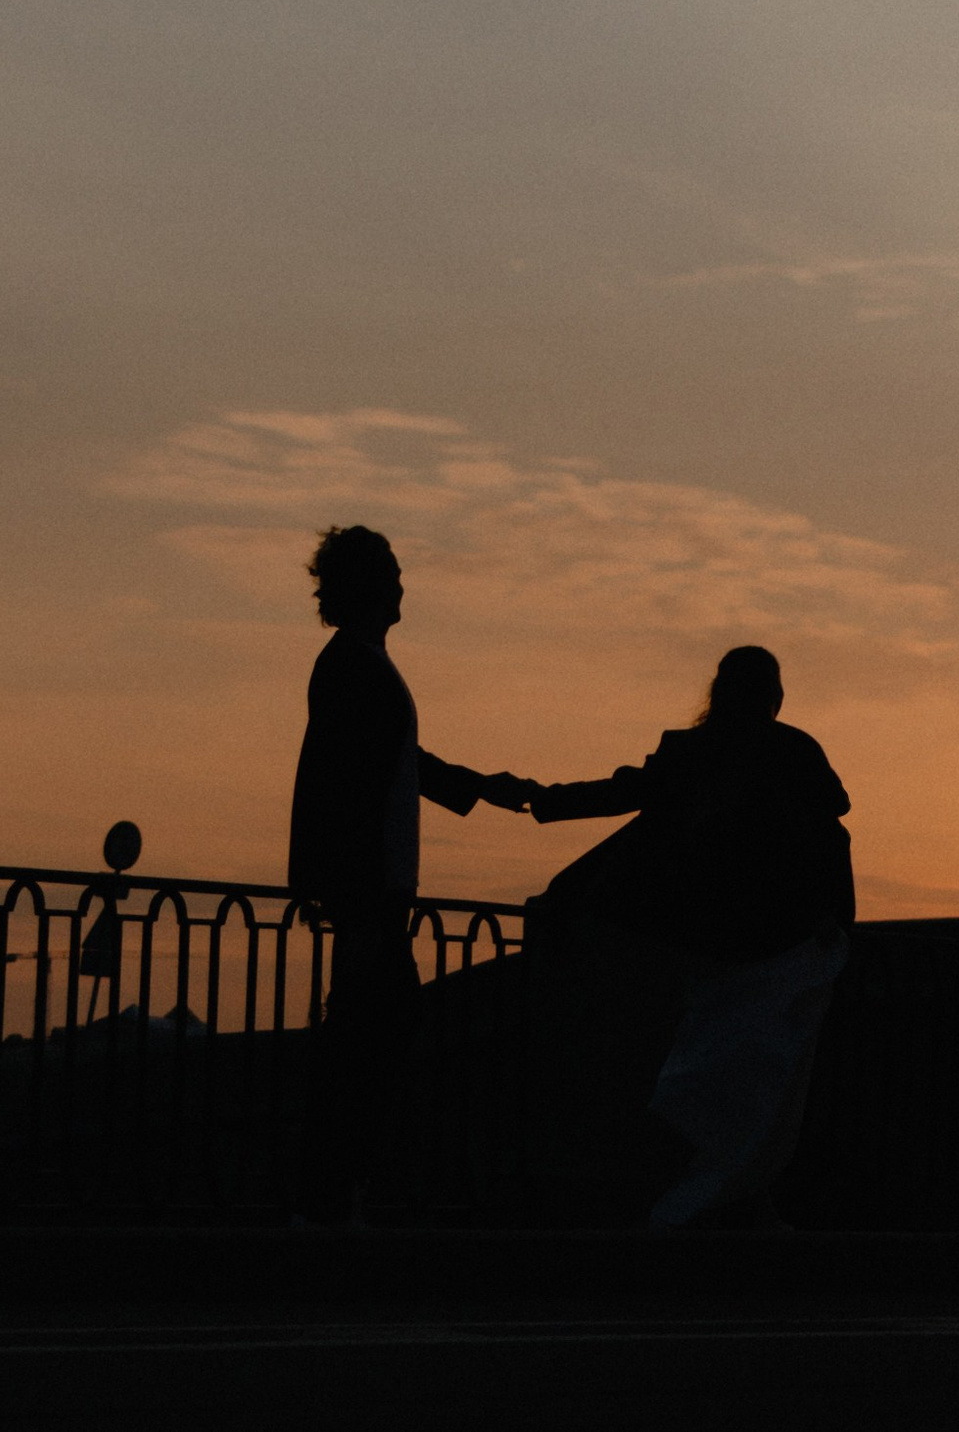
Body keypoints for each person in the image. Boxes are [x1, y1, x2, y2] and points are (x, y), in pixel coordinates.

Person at [513, 645, 853, 1229]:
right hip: (766, 942)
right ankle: (732, 1192)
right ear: (774, 696)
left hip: (703, 940)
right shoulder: (792, 753)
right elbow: (830, 835)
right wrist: (835, 918)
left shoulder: (698, 752)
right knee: (758, 1079)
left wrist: (539, 798)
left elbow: (625, 795)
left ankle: (713, 1191)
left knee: (704, 1073)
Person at [286, 524, 532, 1224]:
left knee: (367, 1040)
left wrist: (479, 785)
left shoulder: (354, 665)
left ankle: (342, 1189)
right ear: (369, 586)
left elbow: (392, 763)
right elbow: (350, 786)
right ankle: (344, 1191)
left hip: (370, 895)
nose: (402, 584)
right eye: (392, 572)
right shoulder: (353, 669)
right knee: (373, 1044)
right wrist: (353, 899)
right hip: (370, 897)